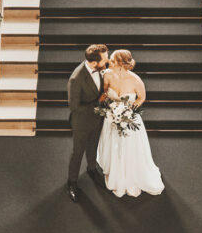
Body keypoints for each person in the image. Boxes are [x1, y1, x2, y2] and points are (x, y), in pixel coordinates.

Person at [96, 49, 164, 197]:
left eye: (113, 61)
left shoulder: (135, 80)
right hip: (112, 117)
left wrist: (128, 112)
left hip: (129, 118)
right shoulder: (107, 75)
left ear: (121, 64)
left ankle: (131, 173)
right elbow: (105, 93)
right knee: (112, 143)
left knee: (129, 147)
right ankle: (113, 168)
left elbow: (141, 97)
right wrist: (110, 107)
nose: (109, 63)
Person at [65, 44, 109, 202]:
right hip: (82, 122)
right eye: (105, 59)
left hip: (97, 119)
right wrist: (99, 103)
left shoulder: (102, 69)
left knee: (93, 146)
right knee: (78, 152)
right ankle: (72, 183)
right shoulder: (76, 79)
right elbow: (74, 107)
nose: (108, 60)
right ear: (94, 63)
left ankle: (91, 169)